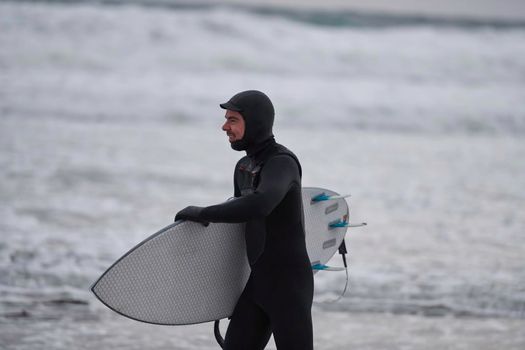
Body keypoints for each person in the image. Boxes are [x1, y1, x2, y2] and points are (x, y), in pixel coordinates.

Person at [175, 90, 313, 350]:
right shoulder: (243, 167)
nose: (224, 126)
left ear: (256, 122)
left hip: (289, 287)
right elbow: (240, 230)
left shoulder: (282, 163)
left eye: (233, 120)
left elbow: (261, 204)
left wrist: (204, 213)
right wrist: (228, 292)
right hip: (258, 285)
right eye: (226, 119)